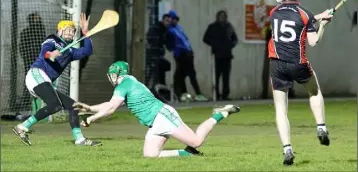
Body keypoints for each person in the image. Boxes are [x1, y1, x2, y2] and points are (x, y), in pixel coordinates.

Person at [72, 61, 241, 157]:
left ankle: (219, 114)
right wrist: (90, 108)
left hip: (162, 116)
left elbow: (111, 109)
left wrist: (91, 119)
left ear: (116, 73)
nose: (110, 78)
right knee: (150, 156)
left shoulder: (125, 84)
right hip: (155, 123)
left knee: (197, 141)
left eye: (111, 74)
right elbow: (109, 104)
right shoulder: (127, 83)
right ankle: (188, 154)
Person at [269, 0, 333, 166]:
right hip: (298, 64)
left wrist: (318, 17)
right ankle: (321, 127)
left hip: (277, 65)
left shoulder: (273, 13)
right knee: (314, 91)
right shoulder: (305, 14)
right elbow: (313, 41)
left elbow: (294, 19)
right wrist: (322, 24)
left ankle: (287, 148)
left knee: (281, 109)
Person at [13, 13, 101, 147]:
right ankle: (23, 126)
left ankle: (79, 139)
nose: (71, 32)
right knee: (55, 105)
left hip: (44, 80)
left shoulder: (70, 51)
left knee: (73, 106)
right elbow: (45, 52)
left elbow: (87, 51)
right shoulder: (53, 39)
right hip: (36, 74)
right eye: (68, 29)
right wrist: (51, 54)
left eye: (73, 31)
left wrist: (85, 33)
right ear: (60, 31)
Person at [165, 10, 208, 101]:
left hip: (186, 53)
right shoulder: (170, 30)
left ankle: (187, 94)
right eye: (173, 19)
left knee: (184, 74)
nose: (174, 21)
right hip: (181, 54)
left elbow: (185, 40)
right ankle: (190, 94)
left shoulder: (178, 28)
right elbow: (171, 43)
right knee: (183, 75)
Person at [203, 10, 238, 100]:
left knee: (226, 77)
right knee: (217, 76)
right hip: (217, 55)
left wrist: (231, 44)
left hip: (227, 55)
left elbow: (235, 39)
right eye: (220, 16)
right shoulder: (213, 27)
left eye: (224, 16)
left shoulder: (229, 26)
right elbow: (205, 38)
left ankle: (225, 95)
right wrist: (214, 44)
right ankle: (216, 95)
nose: (222, 17)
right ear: (218, 17)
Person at [19, 12, 46, 110]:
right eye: (34, 19)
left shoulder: (42, 32)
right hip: (29, 61)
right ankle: (26, 103)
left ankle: (42, 103)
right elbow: (22, 47)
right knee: (28, 81)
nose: (36, 21)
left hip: (41, 61)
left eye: (38, 19)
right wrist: (26, 58)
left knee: (42, 80)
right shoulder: (25, 32)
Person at [145, 14, 171, 87]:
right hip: (153, 54)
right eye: (166, 21)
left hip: (157, 54)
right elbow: (151, 39)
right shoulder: (157, 28)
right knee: (153, 73)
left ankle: (160, 86)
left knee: (157, 71)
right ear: (163, 20)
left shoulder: (165, 30)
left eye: (169, 21)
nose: (168, 23)